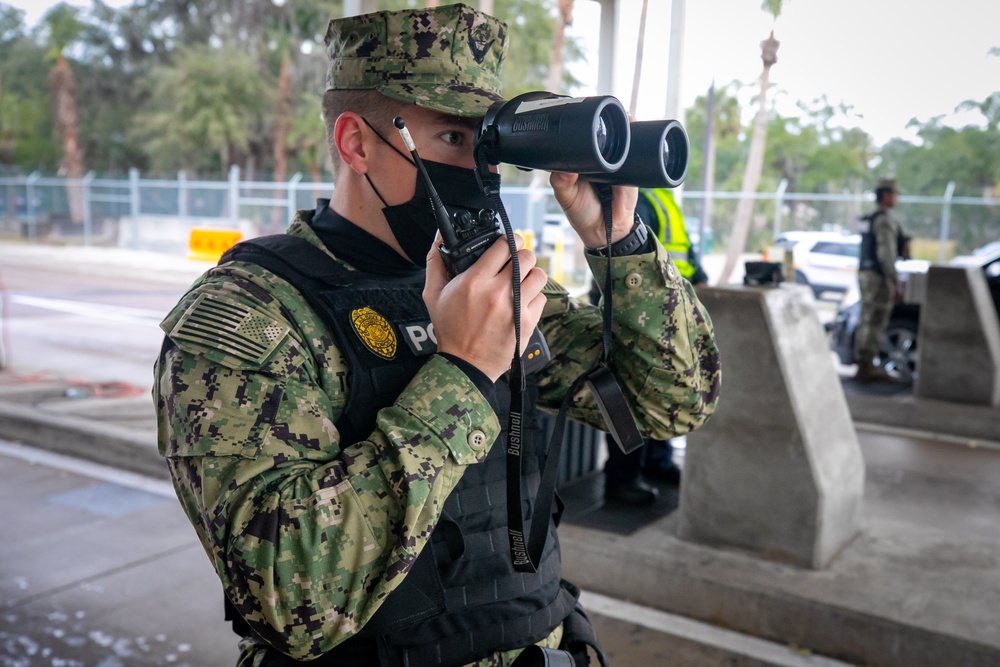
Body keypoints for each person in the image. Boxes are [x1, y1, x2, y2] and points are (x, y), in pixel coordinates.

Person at [154, 5, 721, 666]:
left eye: (488, 145)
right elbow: (288, 597)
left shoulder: (490, 280)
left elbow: (672, 402)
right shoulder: (252, 316)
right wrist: (465, 371)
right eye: (453, 139)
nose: (479, 170)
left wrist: (618, 241)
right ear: (356, 142)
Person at [600, 187, 708, 505]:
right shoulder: (636, 193)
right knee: (628, 400)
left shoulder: (662, 197)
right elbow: (628, 254)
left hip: (665, 313)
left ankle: (657, 464)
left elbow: (682, 251)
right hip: (638, 313)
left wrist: (700, 280)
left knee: (662, 395)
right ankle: (622, 479)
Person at [854, 177, 908, 383]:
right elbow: (886, 253)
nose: (896, 198)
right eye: (894, 194)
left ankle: (863, 362)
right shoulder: (884, 220)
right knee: (876, 318)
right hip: (878, 276)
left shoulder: (871, 218)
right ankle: (866, 365)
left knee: (867, 317)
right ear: (886, 195)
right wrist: (894, 281)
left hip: (866, 274)